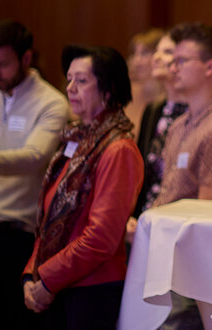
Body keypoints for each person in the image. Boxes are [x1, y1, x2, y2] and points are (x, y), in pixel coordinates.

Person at [21, 45, 143, 329]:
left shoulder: (118, 149)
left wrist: (48, 279)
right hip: (58, 282)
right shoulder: (75, 139)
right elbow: (49, 217)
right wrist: (31, 274)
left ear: (109, 88)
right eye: (69, 79)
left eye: (82, 81)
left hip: (92, 288)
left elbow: (101, 237)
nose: (70, 88)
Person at [0, 20, 70, 329]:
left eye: (2, 64)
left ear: (26, 59)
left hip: (17, 231)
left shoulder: (51, 102)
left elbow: (34, 157)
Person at [153, 23, 212, 206]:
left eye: (181, 61)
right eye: (173, 62)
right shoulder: (179, 124)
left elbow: (206, 213)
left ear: (210, 67)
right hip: (163, 228)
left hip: (189, 233)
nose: (173, 69)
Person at [125, 33, 187, 243]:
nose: (157, 57)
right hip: (146, 218)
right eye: (157, 51)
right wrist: (131, 216)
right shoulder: (154, 109)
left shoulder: (194, 111)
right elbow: (142, 168)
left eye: (167, 52)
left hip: (178, 224)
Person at [124, 29, 165, 138]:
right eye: (134, 53)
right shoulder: (127, 93)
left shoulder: (172, 97)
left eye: (144, 53)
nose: (136, 60)